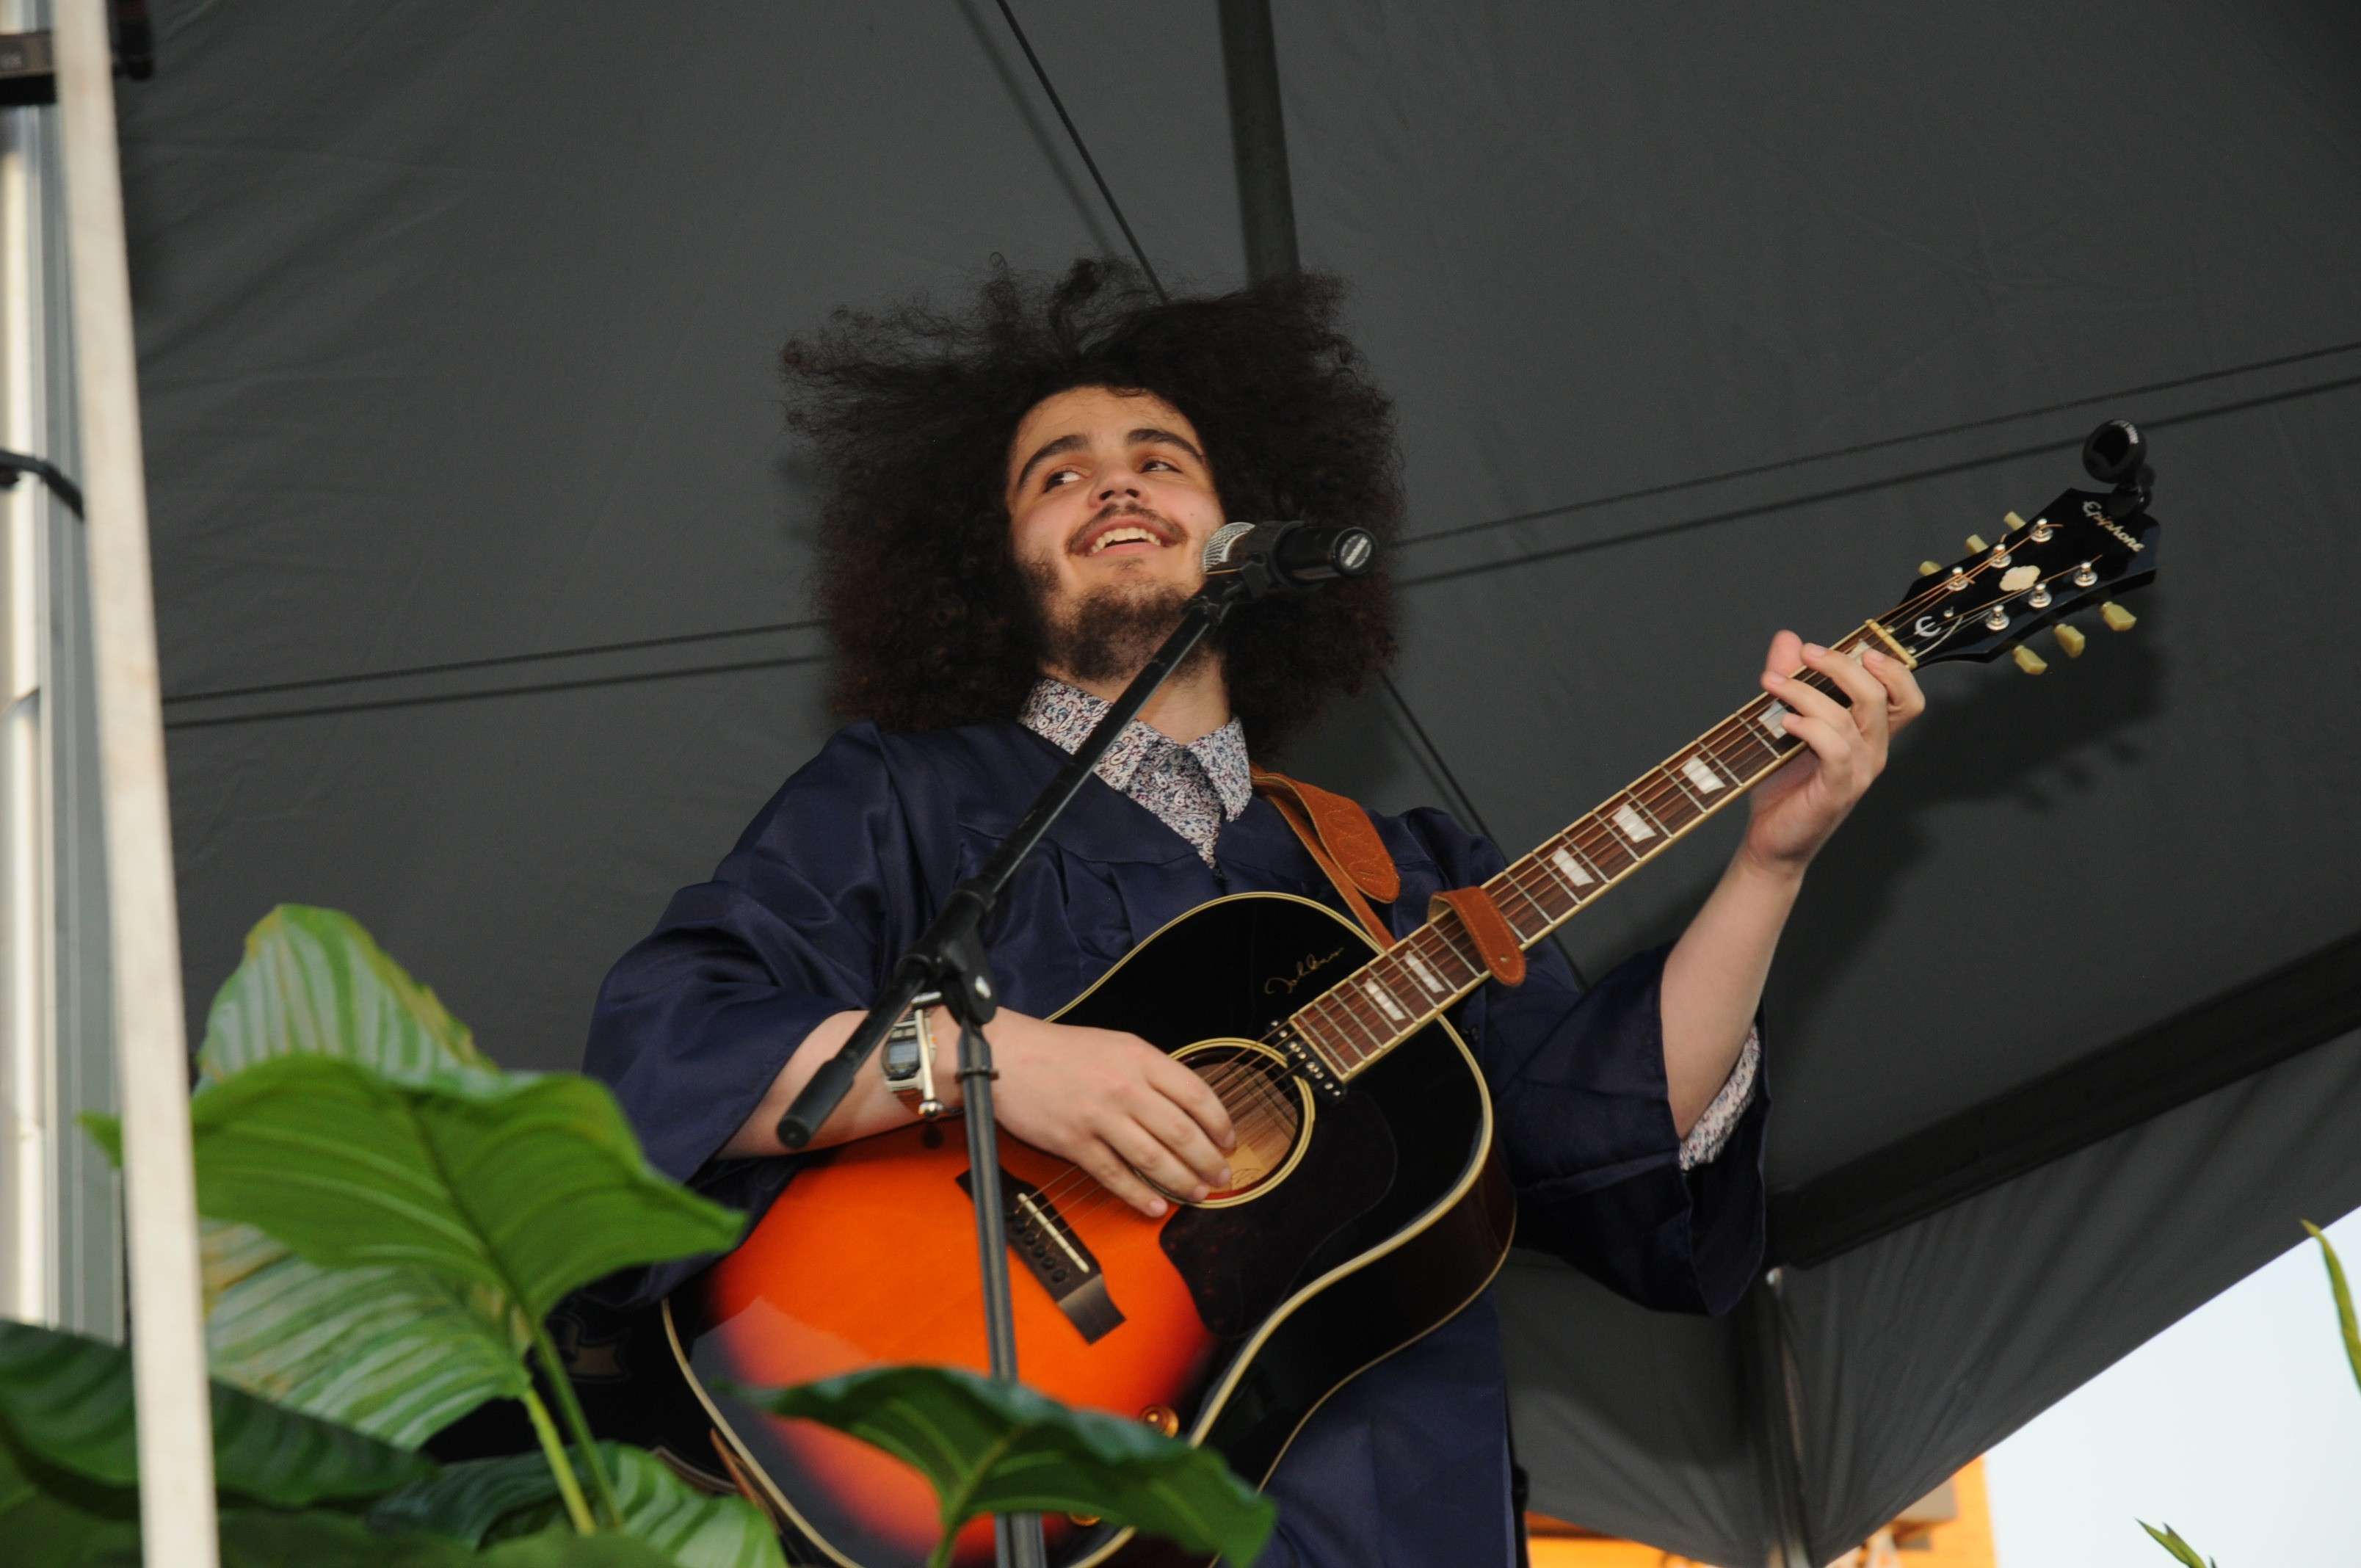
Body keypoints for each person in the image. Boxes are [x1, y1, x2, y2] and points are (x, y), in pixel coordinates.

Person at [582, 258, 1925, 1565]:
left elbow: (1606, 1129)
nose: (1114, 478)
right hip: (1045, 1500)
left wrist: (1769, 867)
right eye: (1057, 473)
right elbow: (675, 1045)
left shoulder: (1394, 867)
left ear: (1247, 524)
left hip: (1405, 1511)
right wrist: (990, 1063)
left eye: (1163, 458)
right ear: (993, 564)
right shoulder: (902, 797)